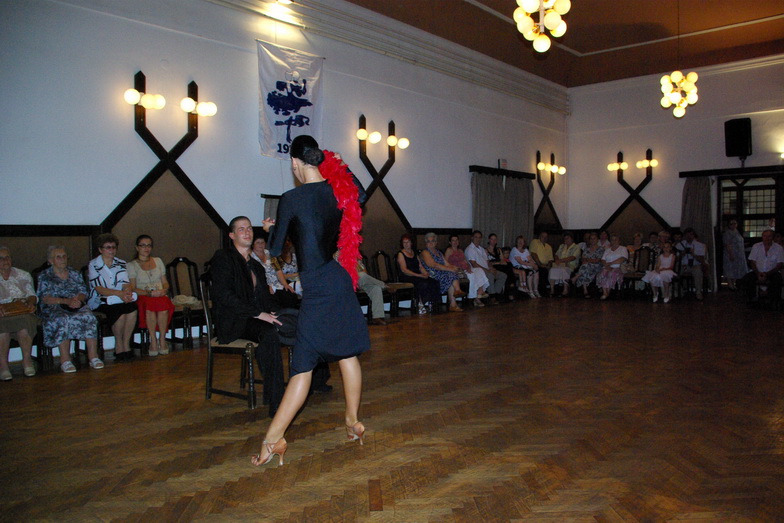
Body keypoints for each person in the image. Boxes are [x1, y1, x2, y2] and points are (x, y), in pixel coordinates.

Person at [254, 135, 370, 466]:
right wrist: (338, 163)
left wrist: (272, 228)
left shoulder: (291, 197)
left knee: (303, 364)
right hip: (338, 278)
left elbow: (276, 249)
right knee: (346, 352)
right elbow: (361, 194)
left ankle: (273, 439)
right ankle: (352, 421)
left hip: (318, 285)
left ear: (295, 163)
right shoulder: (336, 191)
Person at [210, 216, 284, 417]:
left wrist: (275, 312)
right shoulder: (224, 257)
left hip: (253, 318)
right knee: (269, 332)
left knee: (295, 323)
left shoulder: (256, 265)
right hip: (233, 320)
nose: (247, 232)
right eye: (241, 229)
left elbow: (263, 298)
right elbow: (223, 295)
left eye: (249, 228)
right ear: (232, 235)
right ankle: (277, 401)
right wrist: (259, 314)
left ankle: (313, 383)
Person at [37, 246, 102, 372]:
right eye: (58, 257)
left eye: (64, 256)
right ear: (50, 260)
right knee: (63, 319)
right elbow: (45, 298)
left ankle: (93, 357)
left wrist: (78, 300)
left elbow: (83, 292)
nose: (62, 259)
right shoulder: (45, 276)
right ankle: (65, 360)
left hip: (75, 305)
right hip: (54, 307)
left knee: (88, 316)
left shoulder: (74, 273)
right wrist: (66, 301)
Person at [87, 233, 138, 361]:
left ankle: (126, 344)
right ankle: (118, 345)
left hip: (119, 298)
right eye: (108, 247)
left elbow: (126, 283)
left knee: (132, 308)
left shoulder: (121, 263)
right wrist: (119, 294)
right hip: (100, 300)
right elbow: (99, 288)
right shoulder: (93, 264)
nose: (111, 250)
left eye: (114, 247)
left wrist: (127, 292)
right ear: (100, 249)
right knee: (119, 311)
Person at [127, 235, 175, 356]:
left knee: (163, 305)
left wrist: (164, 289)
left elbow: (165, 281)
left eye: (149, 245)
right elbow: (133, 288)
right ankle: (153, 341)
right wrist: (150, 293)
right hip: (144, 294)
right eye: (143, 245)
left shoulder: (158, 261)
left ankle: (162, 339)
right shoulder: (131, 265)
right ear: (137, 247)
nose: (146, 248)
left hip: (159, 294)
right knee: (150, 307)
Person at [0, 246, 39, 380]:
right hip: (2, 314)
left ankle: (27, 361)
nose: (5, 260)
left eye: (7, 257)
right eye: (1, 258)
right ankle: (3, 366)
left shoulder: (23, 274)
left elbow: (31, 295)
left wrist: (31, 303)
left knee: (25, 324)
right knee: (2, 329)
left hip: (21, 311)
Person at [396, 234, 440, 314]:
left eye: (408, 242)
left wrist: (425, 273)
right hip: (407, 276)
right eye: (404, 242)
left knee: (434, 282)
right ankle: (420, 304)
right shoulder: (401, 254)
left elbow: (420, 266)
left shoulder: (414, 253)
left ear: (411, 243)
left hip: (418, 275)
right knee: (423, 283)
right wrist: (419, 275)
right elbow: (404, 270)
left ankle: (433, 304)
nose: (406, 244)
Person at [420, 232, 465, 312]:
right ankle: (457, 292)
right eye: (428, 241)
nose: (431, 243)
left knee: (452, 274)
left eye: (433, 241)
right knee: (450, 274)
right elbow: (433, 265)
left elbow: (447, 264)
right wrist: (450, 269)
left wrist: (455, 268)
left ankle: (454, 303)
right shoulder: (425, 252)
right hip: (432, 274)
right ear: (426, 243)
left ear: (436, 242)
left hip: (442, 272)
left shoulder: (439, 252)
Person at [252, 235, 299, 309]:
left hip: (277, 284)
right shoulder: (251, 257)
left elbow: (278, 270)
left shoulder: (269, 253)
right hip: (265, 287)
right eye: (258, 242)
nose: (260, 244)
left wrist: (285, 284)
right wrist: (266, 287)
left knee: (290, 295)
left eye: (262, 242)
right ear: (253, 244)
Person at [445, 234, 489, 308]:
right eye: (453, 240)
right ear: (450, 242)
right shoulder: (449, 250)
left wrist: (468, 267)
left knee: (479, 270)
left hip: (465, 269)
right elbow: (445, 262)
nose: (455, 242)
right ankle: (474, 298)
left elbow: (466, 261)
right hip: (457, 271)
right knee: (472, 275)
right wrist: (454, 268)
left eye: (456, 240)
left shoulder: (460, 250)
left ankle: (480, 291)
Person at [741, 229, 784, 304]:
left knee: (777, 280)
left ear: (773, 237)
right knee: (747, 279)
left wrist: (767, 274)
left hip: (772, 272)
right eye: (765, 236)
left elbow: (779, 264)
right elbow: (752, 261)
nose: (767, 238)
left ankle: (773, 300)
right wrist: (758, 273)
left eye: (769, 236)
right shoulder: (756, 246)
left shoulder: (779, 248)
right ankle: (752, 299)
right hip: (757, 271)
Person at [465, 230, 507, 303]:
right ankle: (492, 296)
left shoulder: (481, 249)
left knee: (503, 275)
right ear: (472, 238)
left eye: (479, 237)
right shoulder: (470, 249)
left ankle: (496, 294)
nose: (478, 239)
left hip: (487, 269)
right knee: (490, 275)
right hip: (478, 271)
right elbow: (474, 264)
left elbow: (487, 261)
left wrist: (492, 268)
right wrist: (487, 270)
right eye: (476, 237)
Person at [353, 254, 388, 325]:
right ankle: (383, 285)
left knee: (376, 288)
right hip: (349, 283)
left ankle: (377, 317)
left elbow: (365, 272)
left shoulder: (356, 257)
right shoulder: (338, 256)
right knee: (362, 275)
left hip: (361, 282)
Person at [675, 227, 707, 300]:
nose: (689, 237)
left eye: (691, 235)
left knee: (698, 271)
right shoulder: (679, 245)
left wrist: (693, 254)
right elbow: (675, 259)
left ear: (694, 235)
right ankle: (680, 291)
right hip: (683, 265)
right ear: (684, 236)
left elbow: (702, 260)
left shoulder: (699, 245)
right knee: (674, 272)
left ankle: (698, 292)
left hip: (695, 265)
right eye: (687, 235)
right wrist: (683, 253)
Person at [596, 234, 628, 300]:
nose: (614, 241)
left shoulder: (623, 248)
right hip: (607, 267)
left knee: (611, 274)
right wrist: (606, 265)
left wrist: (611, 263)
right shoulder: (607, 250)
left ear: (619, 241)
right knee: (603, 273)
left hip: (618, 268)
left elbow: (622, 259)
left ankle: (607, 292)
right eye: (612, 240)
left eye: (616, 240)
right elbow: (603, 259)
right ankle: (605, 292)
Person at [548, 232, 581, 297]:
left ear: (572, 239)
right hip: (560, 264)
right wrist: (557, 260)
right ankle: (552, 289)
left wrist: (561, 260)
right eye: (565, 238)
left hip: (570, 265)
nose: (566, 240)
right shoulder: (562, 246)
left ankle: (565, 289)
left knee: (564, 270)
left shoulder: (576, 247)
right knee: (552, 270)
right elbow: (556, 255)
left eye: (568, 238)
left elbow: (573, 257)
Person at [572, 232, 604, 298]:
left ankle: (576, 277)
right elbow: (583, 259)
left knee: (585, 266)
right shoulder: (587, 249)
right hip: (587, 267)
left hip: (597, 266)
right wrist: (588, 260)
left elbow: (597, 260)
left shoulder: (601, 249)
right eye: (591, 239)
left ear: (597, 240)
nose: (592, 240)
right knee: (585, 268)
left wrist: (587, 260)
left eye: (594, 238)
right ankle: (585, 290)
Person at [486, 233, 515, 300]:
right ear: (489, 240)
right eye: (492, 239)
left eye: (495, 239)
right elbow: (488, 262)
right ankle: (511, 287)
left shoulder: (498, 250)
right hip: (493, 267)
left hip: (501, 267)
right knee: (508, 268)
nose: (493, 241)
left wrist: (497, 262)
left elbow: (503, 261)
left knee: (508, 266)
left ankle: (507, 290)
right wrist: (498, 262)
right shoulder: (486, 250)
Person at [722, 219, 747, 291]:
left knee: (737, 269)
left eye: (734, 223)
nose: (733, 225)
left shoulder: (737, 232)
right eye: (731, 224)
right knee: (730, 269)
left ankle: (734, 283)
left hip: (739, 254)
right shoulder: (727, 233)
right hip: (731, 253)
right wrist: (731, 254)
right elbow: (727, 244)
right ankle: (730, 284)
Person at [529, 231, 553, 295]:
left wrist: (549, 265)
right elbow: (533, 254)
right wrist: (540, 264)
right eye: (543, 236)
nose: (544, 238)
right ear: (539, 237)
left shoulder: (549, 247)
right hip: (535, 263)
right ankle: (541, 291)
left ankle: (549, 289)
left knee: (551, 270)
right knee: (542, 270)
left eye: (546, 237)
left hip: (545, 265)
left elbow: (550, 259)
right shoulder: (535, 242)